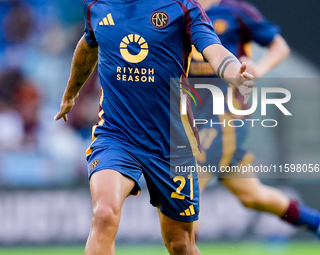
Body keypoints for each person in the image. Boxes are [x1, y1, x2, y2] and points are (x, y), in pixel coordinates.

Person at [54, 0, 254, 254]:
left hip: (172, 141)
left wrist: (235, 71)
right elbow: (88, 45)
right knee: (104, 214)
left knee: (180, 243)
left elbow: (213, 48)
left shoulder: (182, 7)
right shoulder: (96, 5)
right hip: (116, 135)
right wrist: (71, 93)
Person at [190, 0, 320, 238]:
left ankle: (183, 247)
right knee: (252, 196)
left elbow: (279, 46)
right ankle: (316, 222)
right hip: (192, 121)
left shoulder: (235, 11)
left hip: (225, 117)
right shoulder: (174, 10)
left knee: (187, 185)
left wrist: (259, 68)